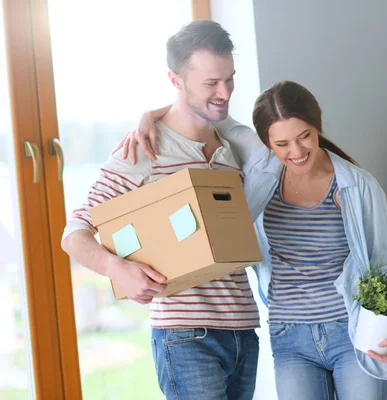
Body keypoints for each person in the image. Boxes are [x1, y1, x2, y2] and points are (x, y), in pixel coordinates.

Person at [122, 81, 387, 399]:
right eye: (282, 144)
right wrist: (150, 116)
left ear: (317, 126)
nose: (297, 151)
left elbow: (381, 268)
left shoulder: (357, 187)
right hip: (289, 337)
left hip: (350, 331)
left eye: (304, 136)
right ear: (267, 144)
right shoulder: (262, 175)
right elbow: (211, 116)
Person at [61, 20, 262, 400]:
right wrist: (117, 268)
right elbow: (74, 233)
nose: (225, 92)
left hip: (242, 330)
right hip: (186, 336)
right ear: (176, 80)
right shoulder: (144, 150)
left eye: (230, 79)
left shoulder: (232, 149)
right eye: (211, 83)